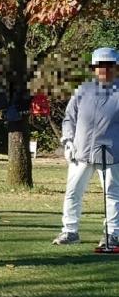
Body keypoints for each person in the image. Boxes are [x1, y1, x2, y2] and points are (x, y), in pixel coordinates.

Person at [54, 47, 119, 250]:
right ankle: (70, 231)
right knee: (73, 192)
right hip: (80, 152)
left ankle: (113, 233)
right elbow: (69, 118)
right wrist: (68, 141)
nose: (104, 70)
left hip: (111, 153)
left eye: (108, 65)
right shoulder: (83, 90)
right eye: (100, 65)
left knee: (113, 193)